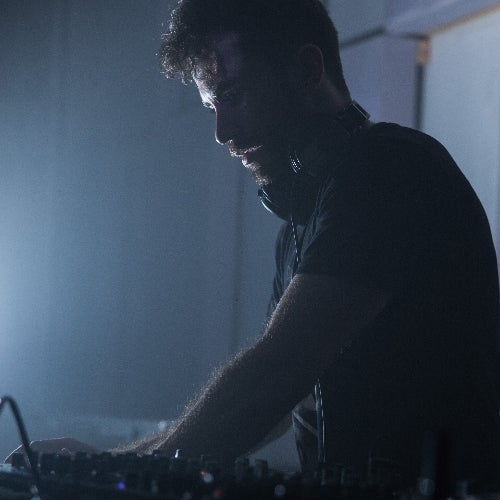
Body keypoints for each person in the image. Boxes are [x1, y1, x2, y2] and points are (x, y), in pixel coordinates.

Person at [8, 0, 500, 490]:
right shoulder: (302, 224)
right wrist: (109, 459)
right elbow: (278, 407)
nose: (222, 132)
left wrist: (110, 469)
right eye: (212, 108)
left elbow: (276, 372)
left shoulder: (390, 169)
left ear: (306, 69)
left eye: (233, 95)